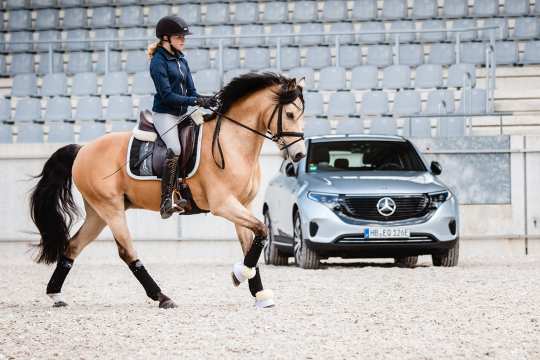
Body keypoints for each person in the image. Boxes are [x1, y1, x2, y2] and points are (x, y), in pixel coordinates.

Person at [147, 15, 217, 219]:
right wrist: (195, 102)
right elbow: (167, 96)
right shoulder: (158, 62)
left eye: (183, 37)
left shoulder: (181, 59)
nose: (183, 40)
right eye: (179, 37)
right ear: (166, 38)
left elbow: (192, 91)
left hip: (182, 113)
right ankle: (166, 200)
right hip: (165, 114)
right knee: (175, 148)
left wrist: (206, 100)